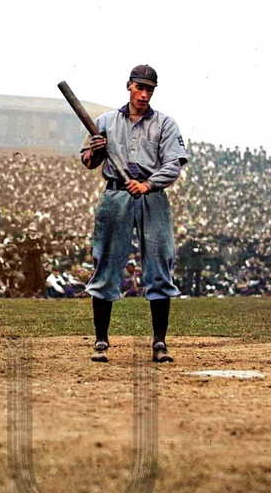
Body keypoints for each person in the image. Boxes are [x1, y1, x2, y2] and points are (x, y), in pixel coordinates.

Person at [79, 64, 189, 363]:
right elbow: (88, 161)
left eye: (149, 90)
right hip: (116, 195)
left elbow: (174, 164)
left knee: (160, 264)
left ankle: (159, 342)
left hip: (152, 195)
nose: (143, 94)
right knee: (106, 263)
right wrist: (97, 151)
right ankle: (101, 341)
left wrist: (148, 184)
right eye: (139, 88)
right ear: (129, 85)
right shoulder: (105, 122)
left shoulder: (165, 124)